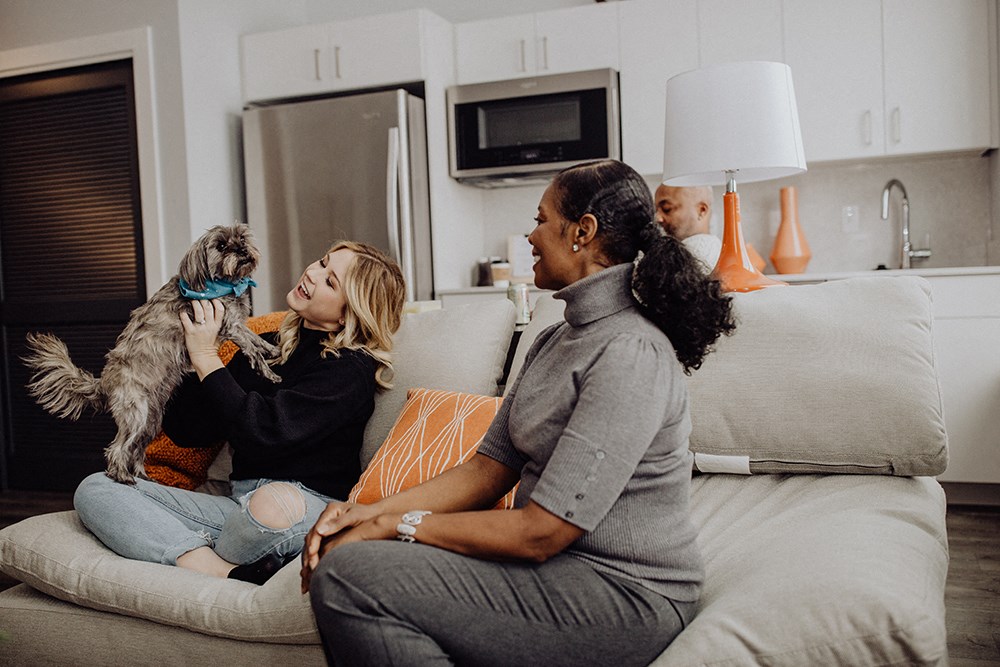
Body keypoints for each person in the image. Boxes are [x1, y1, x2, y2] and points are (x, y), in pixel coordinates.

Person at [301, 160, 737, 666]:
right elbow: (485, 471)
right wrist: (367, 511)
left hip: (625, 596)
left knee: (351, 575)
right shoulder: (555, 338)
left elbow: (542, 532)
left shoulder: (630, 352)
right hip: (556, 572)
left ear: (583, 232)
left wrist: (396, 525)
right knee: (351, 558)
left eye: (540, 218)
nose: (530, 235)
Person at [73, 240, 406, 585]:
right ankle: (223, 571)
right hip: (237, 507)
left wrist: (207, 358)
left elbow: (266, 433)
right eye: (322, 262)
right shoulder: (271, 344)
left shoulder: (349, 370)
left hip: (302, 507)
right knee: (96, 488)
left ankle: (186, 549)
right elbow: (188, 430)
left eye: (330, 281)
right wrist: (189, 356)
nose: (313, 273)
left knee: (270, 504)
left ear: (347, 314)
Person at [654, 183, 722, 272]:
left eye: (667, 208)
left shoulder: (697, 255)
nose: (658, 218)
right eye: (656, 210)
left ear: (701, 210)